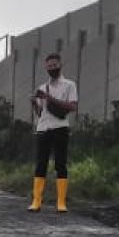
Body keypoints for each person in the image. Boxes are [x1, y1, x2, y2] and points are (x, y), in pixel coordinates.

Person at [29, 53, 78, 212]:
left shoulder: (69, 85)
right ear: (46, 68)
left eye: (54, 65)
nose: (52, 68)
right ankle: (36, 201)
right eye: (49, 66)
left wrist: (49, 98)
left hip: (60, 127)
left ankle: (61, 202)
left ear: (60, 65)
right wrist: (34, 103)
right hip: (43, 128)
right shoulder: (42, 87)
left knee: (61, 164)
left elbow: (72, 107)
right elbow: (40, 112)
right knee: (40, 164)